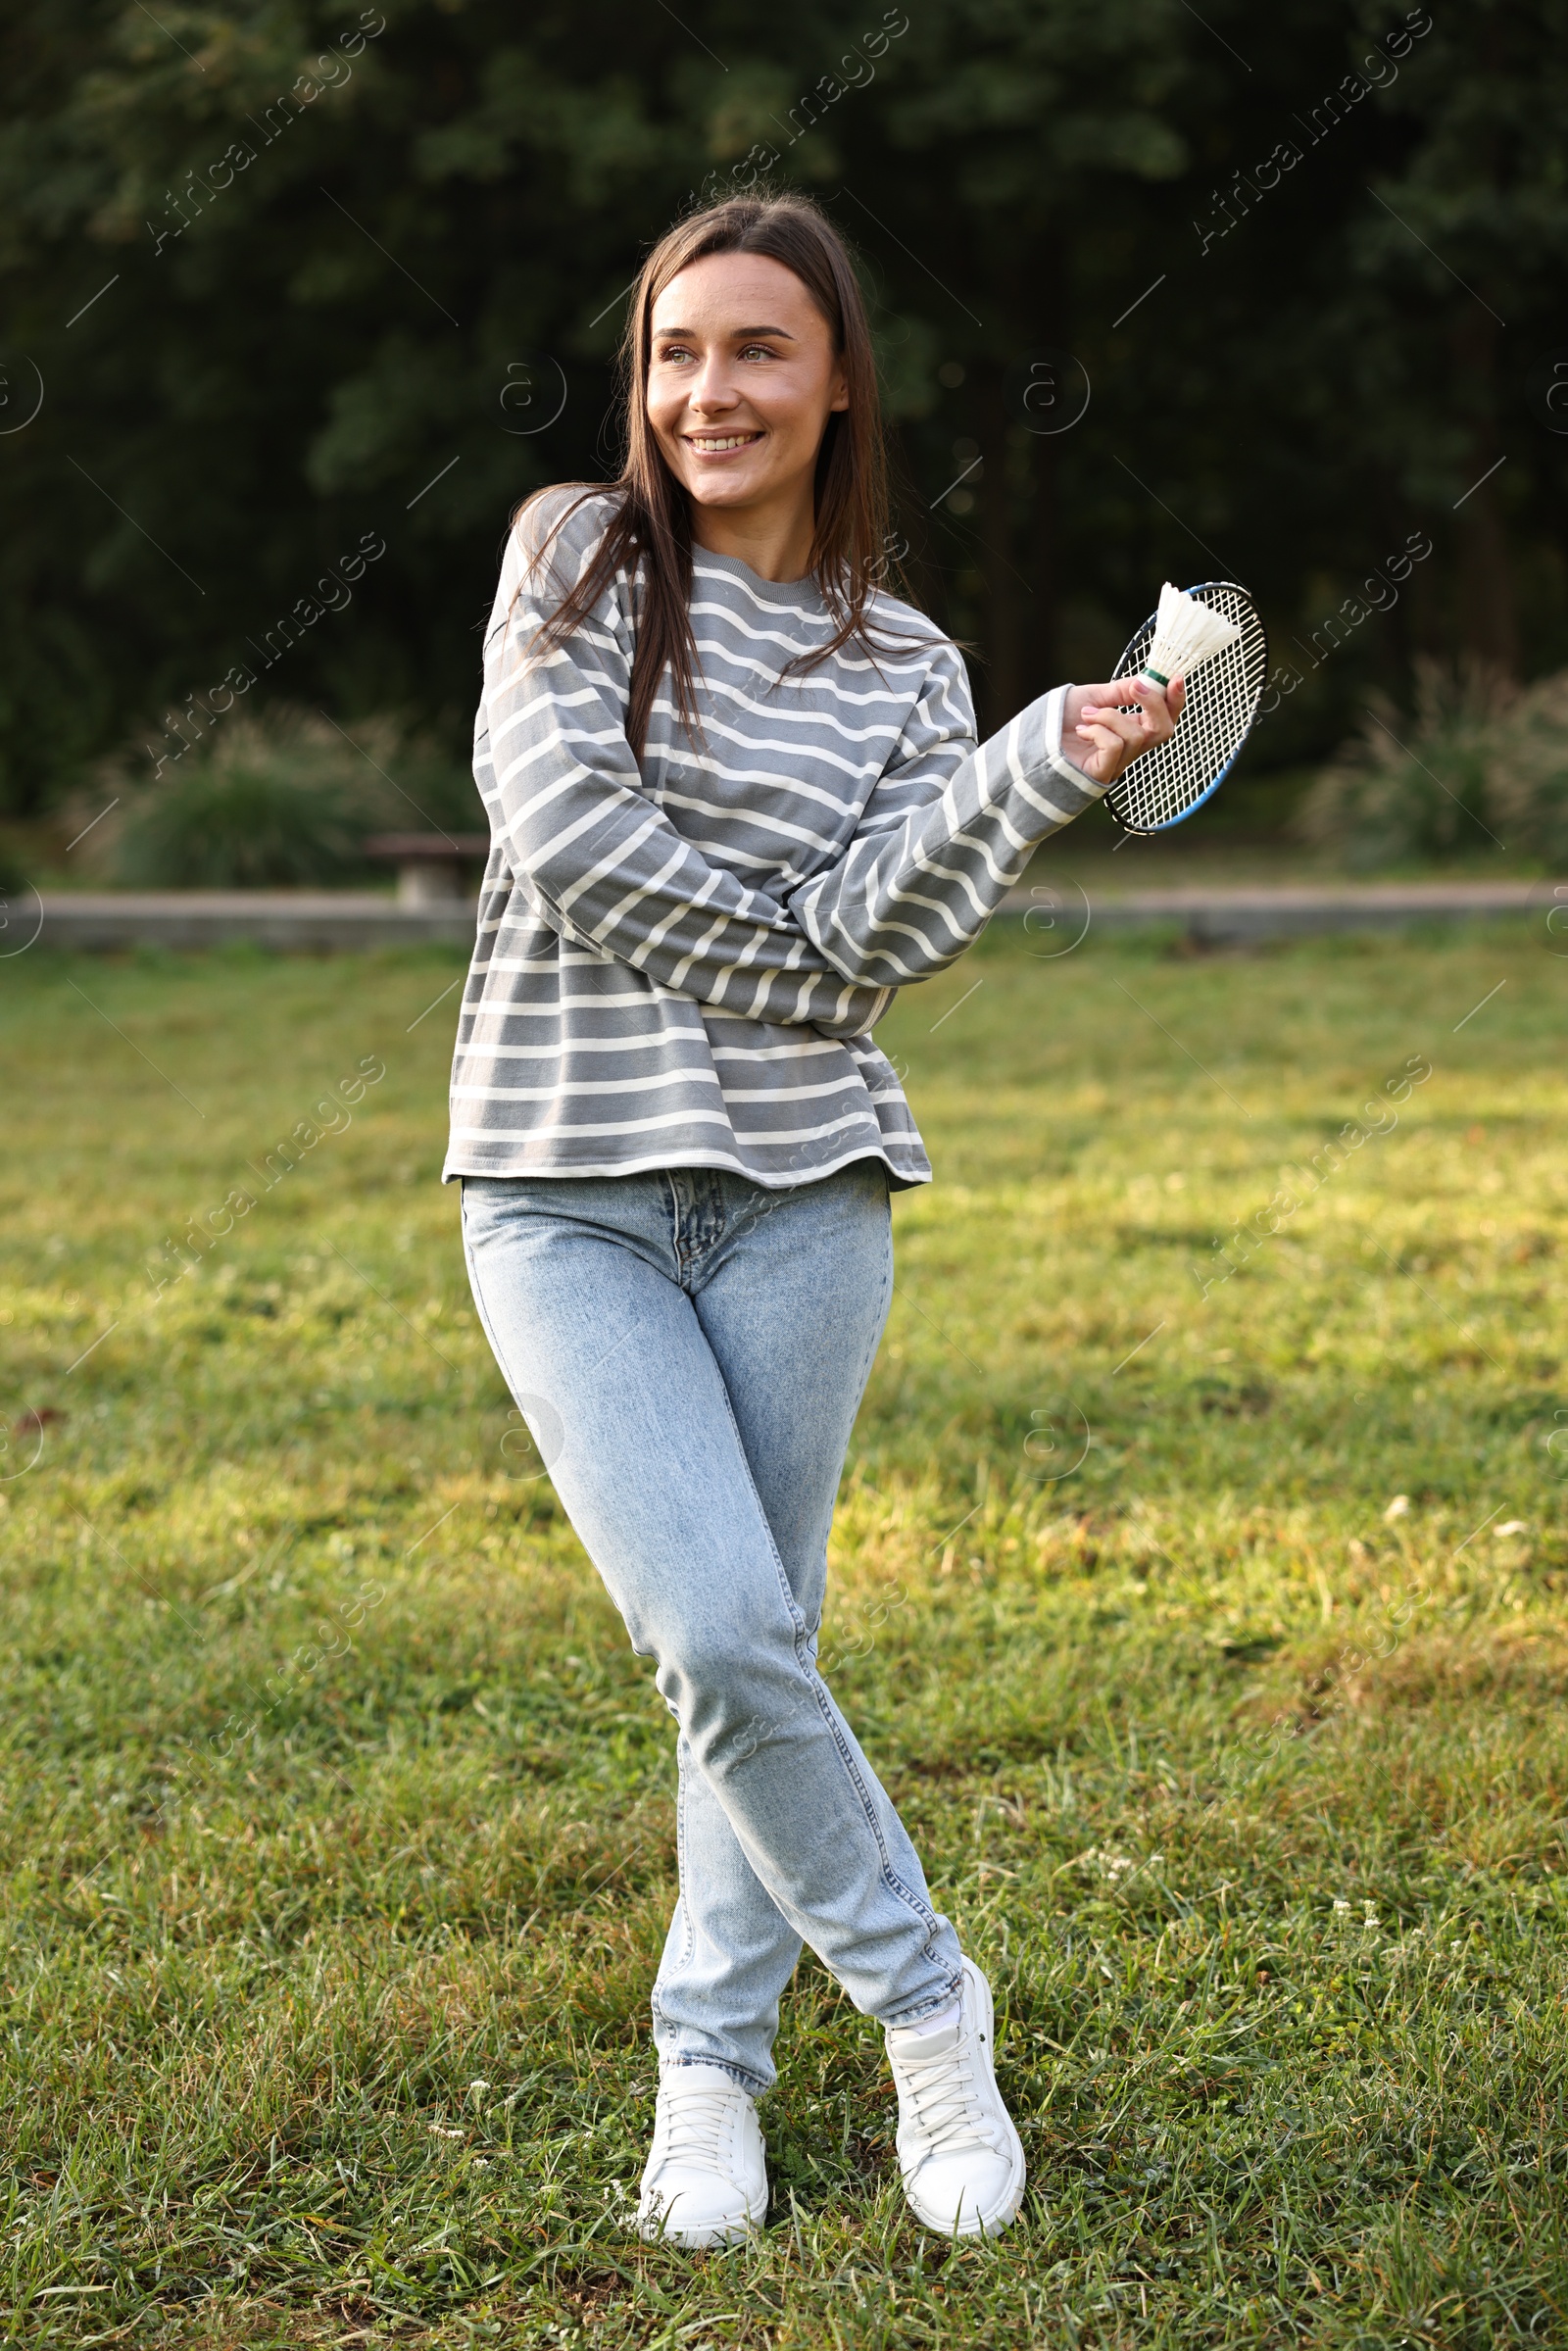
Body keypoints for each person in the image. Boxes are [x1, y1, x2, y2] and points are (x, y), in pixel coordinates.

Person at [446, 191, 1180, 2247]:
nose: (708, 392)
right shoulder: (570, 555)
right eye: (676, 354)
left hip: (805, 1200)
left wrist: (1034, 762)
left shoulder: (909, 666)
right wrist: (800, 949)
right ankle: (927, 2005)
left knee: (752, 1649)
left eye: (756, 350)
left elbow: (889, 940)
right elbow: (563, 835)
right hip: (557, 1187)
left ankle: (709, 2071)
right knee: (708, 1626)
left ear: (837, 376)